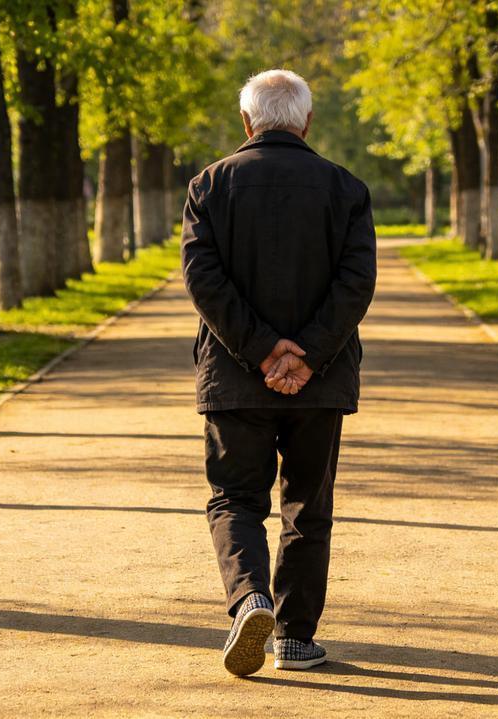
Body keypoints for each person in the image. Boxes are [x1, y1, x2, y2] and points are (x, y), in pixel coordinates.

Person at [180, 68, 377, 677]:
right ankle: (294, 639)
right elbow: (356, 284)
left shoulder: (210, 185)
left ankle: (251, 599)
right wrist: (307, 354)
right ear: (306, 121)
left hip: (234, 379)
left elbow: (203, 280)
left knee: (235, 498)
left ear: (247, 122)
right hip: (321, 382)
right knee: (307, 508)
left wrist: (263, 350)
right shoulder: (345, 188)